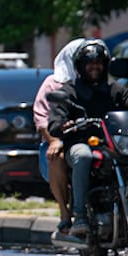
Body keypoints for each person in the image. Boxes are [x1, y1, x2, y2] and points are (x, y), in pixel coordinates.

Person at [47, 39, 128, 238]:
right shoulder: (69, 92)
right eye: (89, 62)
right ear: (80, 66)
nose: (94, 67)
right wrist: (63, 125)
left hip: (114, 145)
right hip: (83, 144)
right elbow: (54, 122)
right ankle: (80, 216)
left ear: (105, 65)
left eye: (99, 62)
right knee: (83, 156)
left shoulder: (116, 90)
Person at [32, 38, 84, 235]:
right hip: (61, 141)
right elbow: (42, 119)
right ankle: (65, 214)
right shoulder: (54, 84)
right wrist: (54, 139)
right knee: (56, 157)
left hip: (92, 139)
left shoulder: (99, 84)